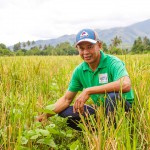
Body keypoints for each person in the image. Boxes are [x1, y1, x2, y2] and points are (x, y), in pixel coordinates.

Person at [36, 28, 134, 130]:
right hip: (100, 110)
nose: (85, 52)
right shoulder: (79, 71)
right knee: (65, 112)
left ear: (99, 45)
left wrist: (88, 91)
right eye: (81, 49)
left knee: (112, 97)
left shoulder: (112, 62)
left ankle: (111, 134)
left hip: (124, 110)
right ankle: (98, 131)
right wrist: (45, 115)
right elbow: (66, 99)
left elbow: (126, 84)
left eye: (90, 47)